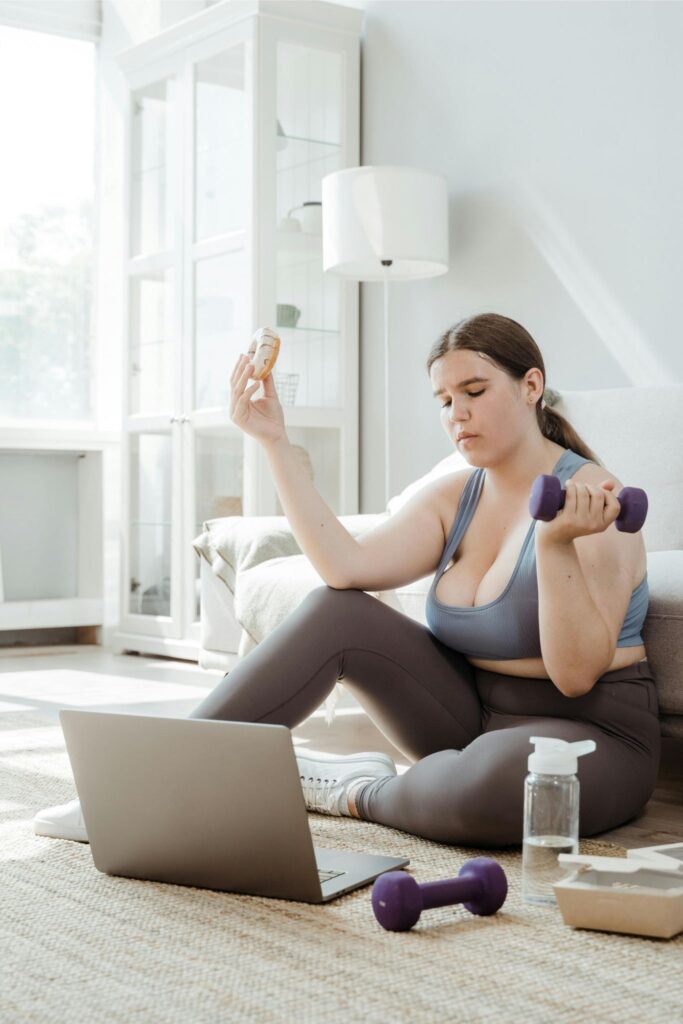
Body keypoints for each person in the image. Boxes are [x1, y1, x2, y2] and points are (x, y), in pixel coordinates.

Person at [34, 313, 659, 848]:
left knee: (498, 786)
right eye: (445, 401)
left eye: (474, 390)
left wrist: (554, 546)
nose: (457, 414)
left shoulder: (595, 502)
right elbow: (343, 567)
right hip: (473, 716)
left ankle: (352, 787)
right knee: (338, 612)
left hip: (591, 734)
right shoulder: (454, 496)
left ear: (531, 387)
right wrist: (275, 442)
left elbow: (576, 676)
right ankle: (134, 791)